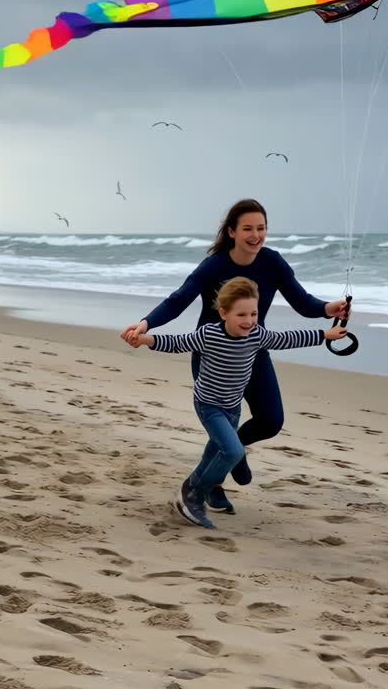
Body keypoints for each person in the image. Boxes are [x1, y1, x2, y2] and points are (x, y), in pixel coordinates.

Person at [120, 198, 347, 513]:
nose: (256, 235)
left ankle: (232, 453)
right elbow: (179, 299)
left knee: (271, 421)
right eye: (248, 229)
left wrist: (327, 309)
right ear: (231, 232)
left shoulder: (273, 262)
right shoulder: (214, 265)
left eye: (261, 228)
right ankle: (212, 481)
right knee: (223, 418)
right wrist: (146, 324)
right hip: (211, 351)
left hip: (253, 349)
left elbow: (302, 301)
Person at [133, 276, 347, 528]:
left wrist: (326, 334)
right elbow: (178, 343)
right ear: (224, 313)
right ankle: (193, 492)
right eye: (241, 314)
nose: (249, 320)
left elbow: (287, 339)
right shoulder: (209, 334)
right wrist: (146, 339)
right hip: (209, 404)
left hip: (232, 406)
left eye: (254, 313)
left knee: (214, 453)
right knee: (233, 451)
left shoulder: (256, 335)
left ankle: (198, 491)